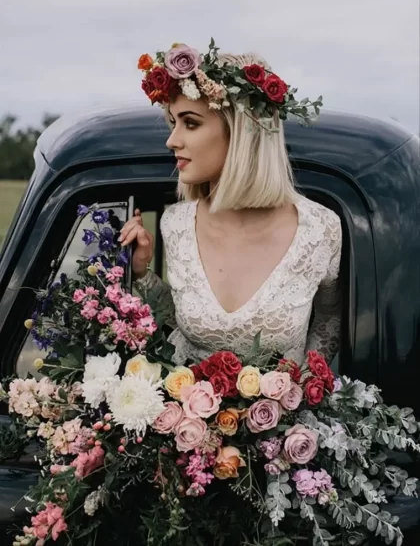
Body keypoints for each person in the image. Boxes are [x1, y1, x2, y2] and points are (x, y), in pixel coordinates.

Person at [118, 41, 342, 366]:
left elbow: (329, 322)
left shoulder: (321, 230)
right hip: (184, 412)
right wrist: (140, 273)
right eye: (172, 123)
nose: (172, 140)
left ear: (241, 132)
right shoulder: (176, 223)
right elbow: (179, 321)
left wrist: (300, 395)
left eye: (190, 123)